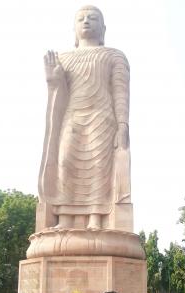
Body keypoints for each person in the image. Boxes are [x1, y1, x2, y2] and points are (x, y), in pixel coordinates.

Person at [39, 5, 131, 230]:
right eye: (81, 18)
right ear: (74, 28)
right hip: (72, 118)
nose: (86, 21)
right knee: (65, 164)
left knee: (100, 168)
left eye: (93, 18)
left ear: (103, 28)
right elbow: (59, 96)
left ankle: (96, 219)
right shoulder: (64, 58)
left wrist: (123, 125)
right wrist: (53, 81)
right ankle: (66, 219)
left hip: (102, 118)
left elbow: (121, 92)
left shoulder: (113, 56)